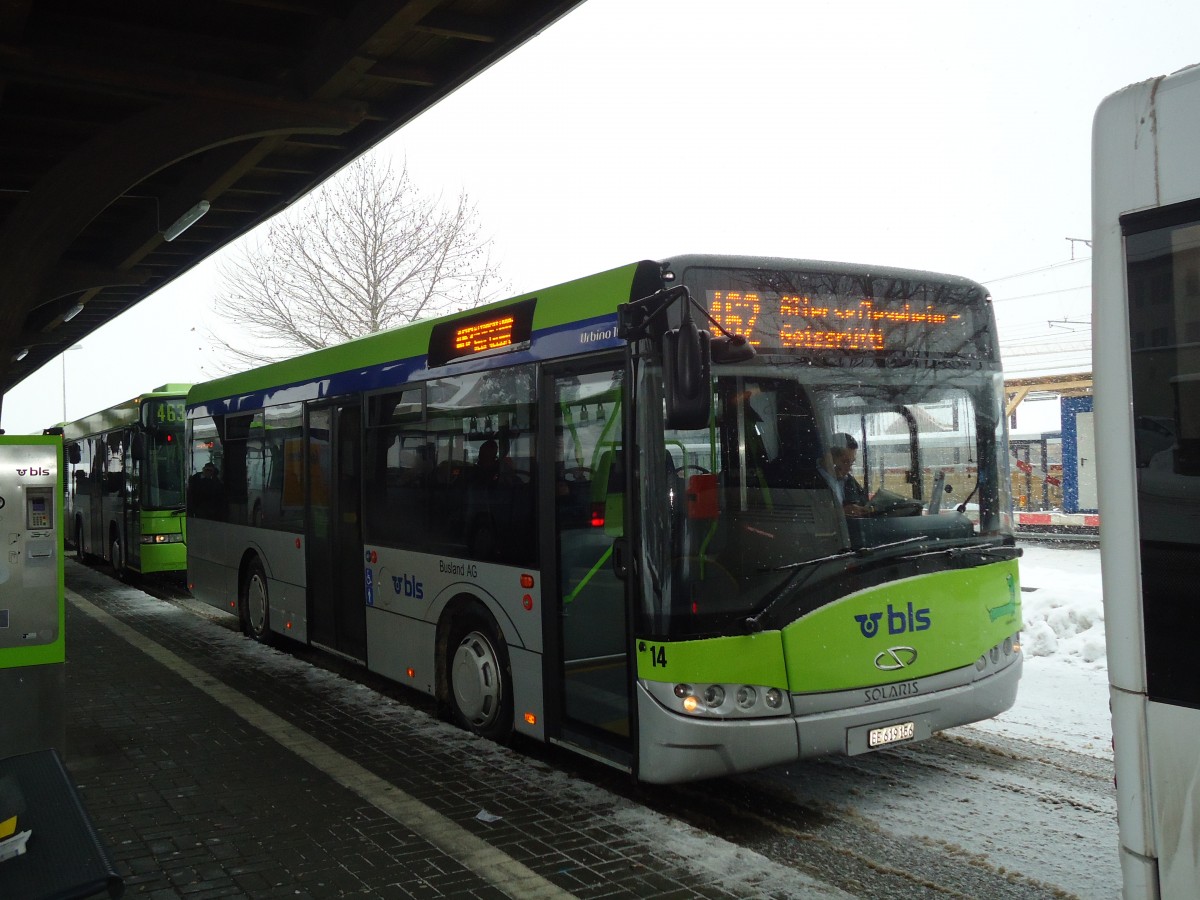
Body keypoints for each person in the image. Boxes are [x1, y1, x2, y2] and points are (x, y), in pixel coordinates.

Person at [818, 433, 871, 517]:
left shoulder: (849, 481)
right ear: (829, 458)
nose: (849, 468)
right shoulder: (809, 483)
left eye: (851, 463)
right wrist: (840, 512)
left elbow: (865, 503)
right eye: (845, 462)